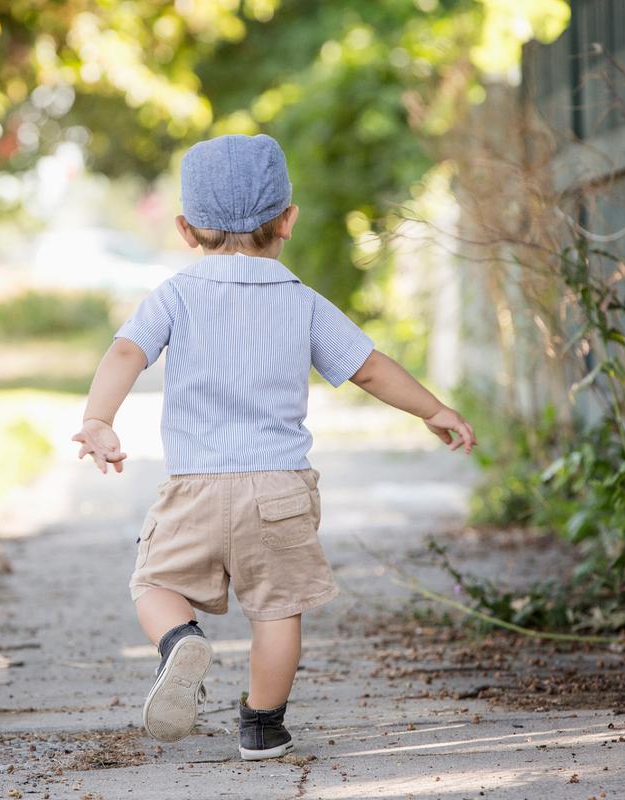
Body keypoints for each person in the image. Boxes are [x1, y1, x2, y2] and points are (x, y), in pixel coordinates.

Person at [72, 133, 476, 761]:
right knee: (278, 610)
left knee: (152, 581)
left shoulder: (176, 295)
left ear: (185, 229)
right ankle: (263, 727)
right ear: (287, 220)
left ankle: (179, 640)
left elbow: (127, 351)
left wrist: (100, 418)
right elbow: (367, 367)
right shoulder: (301, 300)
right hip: (280, 489)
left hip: (195, 485)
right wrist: (432, 408)